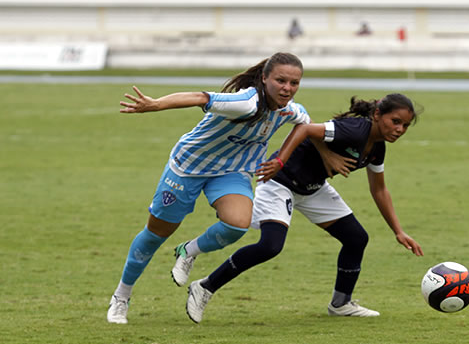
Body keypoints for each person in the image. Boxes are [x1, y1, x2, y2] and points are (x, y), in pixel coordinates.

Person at [176, 93, 425, 323]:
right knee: (270, 246)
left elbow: (379, 190)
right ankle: (205, 286)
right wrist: (280, 161)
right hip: (280, 182)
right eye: (395, 121)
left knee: (356, 238)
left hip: (313, 188)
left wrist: (398, 231)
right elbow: (304, 128)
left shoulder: (377, 148)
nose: (399, 129)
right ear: (378, 114)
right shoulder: (354, 130)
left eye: (404, 125)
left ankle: (341, 303)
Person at [107, 52, 312, 324]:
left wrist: (279, 159)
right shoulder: (247, 102)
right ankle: (122, 295)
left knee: (239, 223)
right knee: (156, 234)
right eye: (281, 80)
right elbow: (201, 97)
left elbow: (305, 126)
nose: (287, 88)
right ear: (264, 79)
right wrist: (156, 104)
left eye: (294, 83)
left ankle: (188, 251)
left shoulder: (290, 109)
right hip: (188, 167)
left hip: (231, 172)